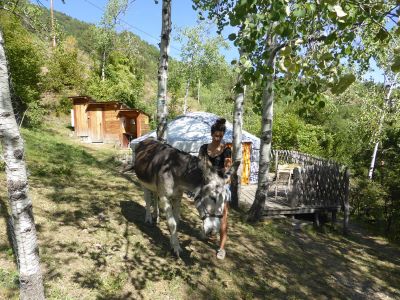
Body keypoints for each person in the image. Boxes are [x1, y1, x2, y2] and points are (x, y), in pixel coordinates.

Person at [198, 118, 232, 260]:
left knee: (223, 216)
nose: (218, 138)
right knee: (206, 211)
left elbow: (228, 169)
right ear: (211, 134)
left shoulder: (226, 150)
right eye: (216, 135)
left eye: (220, 136)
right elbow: (199, 167)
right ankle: (210, 231)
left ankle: (221, 248)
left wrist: (221, 181)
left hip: (221, 184)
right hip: (206, 185)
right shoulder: (203, 148)